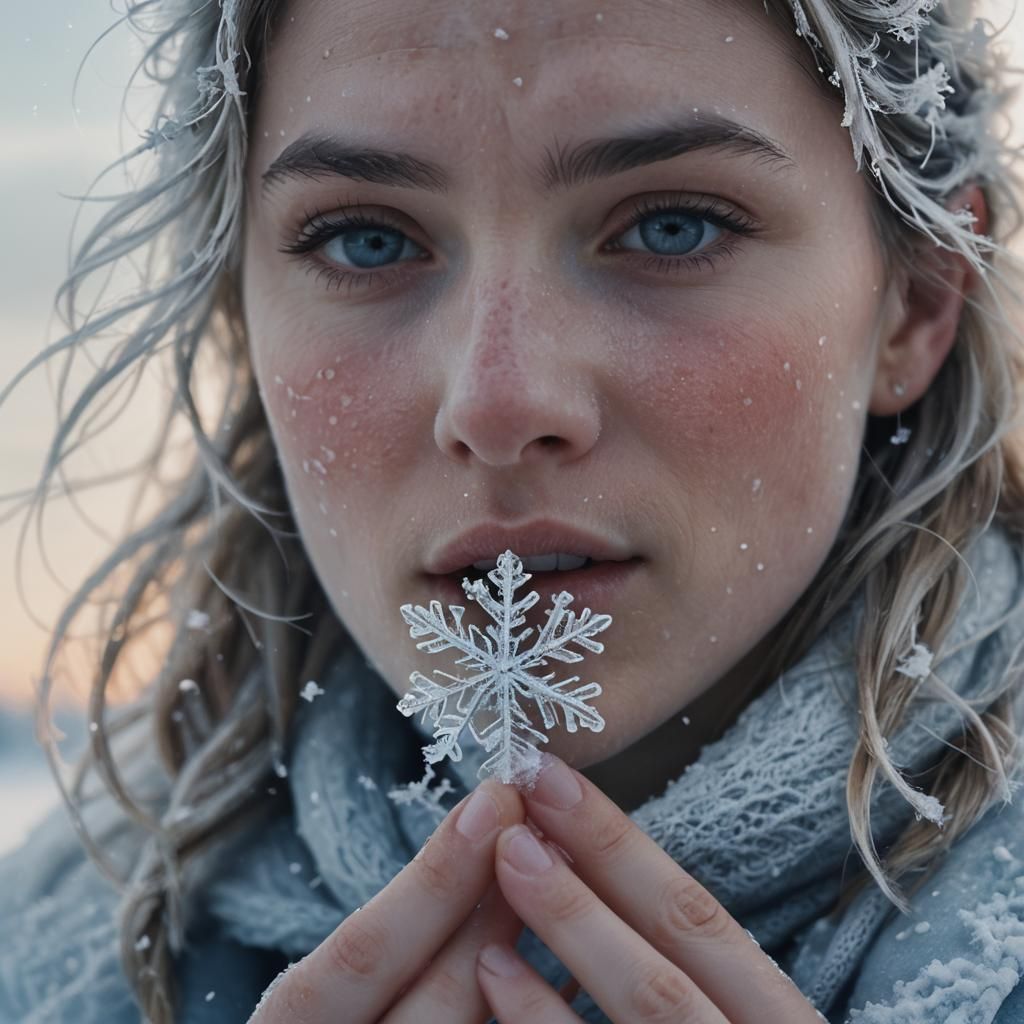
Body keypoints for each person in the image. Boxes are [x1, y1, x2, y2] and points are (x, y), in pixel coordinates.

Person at [2, 0, 1024, 1020]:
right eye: (363, 241)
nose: (496, 402)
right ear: (244, 311)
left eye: (672, 228)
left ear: (921, 296)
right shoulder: (43, 960)